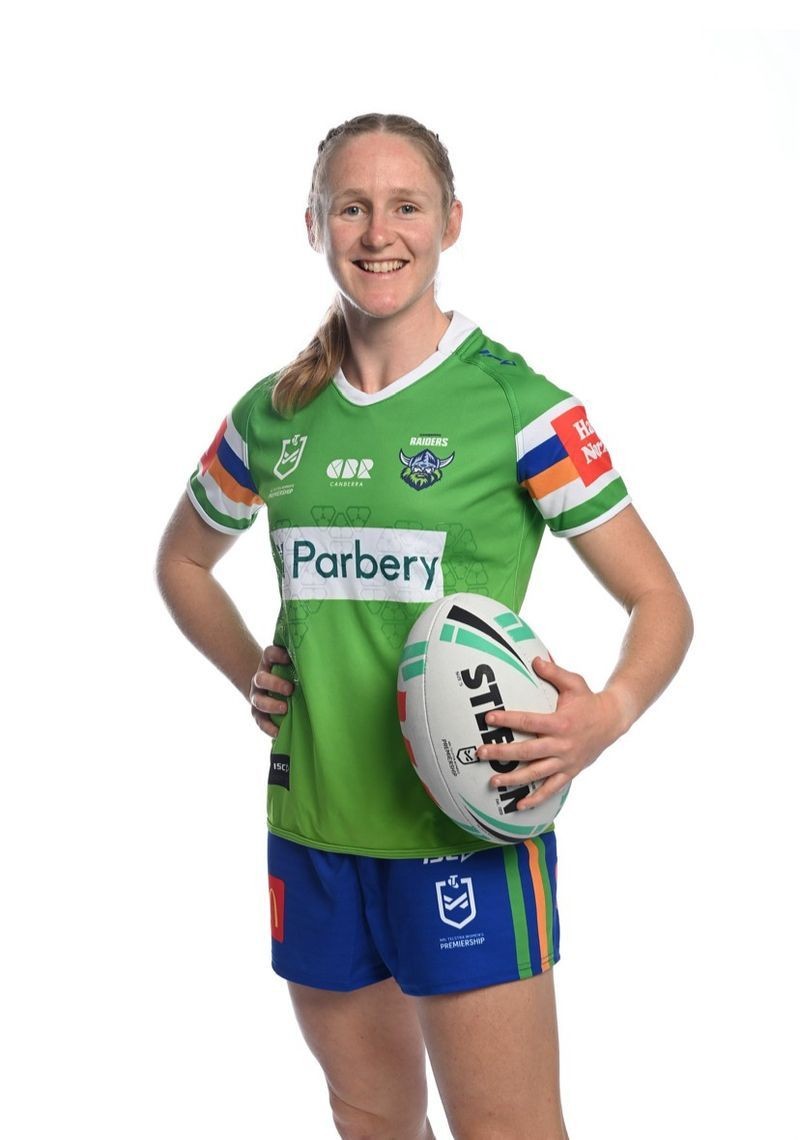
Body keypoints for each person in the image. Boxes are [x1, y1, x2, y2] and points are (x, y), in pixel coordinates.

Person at [155, 112, 693, 1140]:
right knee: (370, 1122)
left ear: (450, 221)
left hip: (465, 832)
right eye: (349, 207)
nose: (377, 232)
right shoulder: (272, 414)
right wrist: (250, 671)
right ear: (311, 224)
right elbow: (181, 562)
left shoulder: (517, 405)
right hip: (315, 830)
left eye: (405, 205)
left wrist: (607, 714)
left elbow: (659, 600)